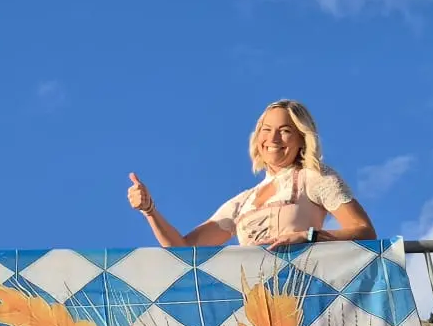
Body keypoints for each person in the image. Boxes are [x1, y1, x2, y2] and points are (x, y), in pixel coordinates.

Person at [126, 98, 375, 248]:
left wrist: (307, 237)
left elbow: (364, 231)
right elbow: (183, 249)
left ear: (302, 138)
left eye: (285, 130)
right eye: (266, 130)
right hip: (256, 300)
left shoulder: (314, 176)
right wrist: (150, 210)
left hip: (306, 291)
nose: (273, 138)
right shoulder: (242, 203)